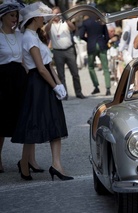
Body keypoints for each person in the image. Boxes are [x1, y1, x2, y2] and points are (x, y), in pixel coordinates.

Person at [11, 1, 73, 181]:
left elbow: (48, 65)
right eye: (42, 17)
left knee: (53, 122)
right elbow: (41, 68)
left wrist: (59, 83)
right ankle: (25, 162)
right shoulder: (29, 38)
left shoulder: (35, 36)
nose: (44, 19)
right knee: (34, 123)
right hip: (38, 83)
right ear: (36, 18)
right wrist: (55, 86)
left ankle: (56, 165)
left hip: (43, 82)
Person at [0, 0, 42, 174]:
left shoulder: (20, 35)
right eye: (11, 15)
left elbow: (25, 59)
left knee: (26, 119)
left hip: (20, 79)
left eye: (16, 15)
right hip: (2, 80)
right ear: (2, 17)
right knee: (1, 121)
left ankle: (29, 159)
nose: (15, 18)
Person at [45, 7, 86, 100]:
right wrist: (51, 19)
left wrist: (66, 19)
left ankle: (78, 92)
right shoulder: (50, 25)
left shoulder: (64, 22)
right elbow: (45, 30)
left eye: (58, 13)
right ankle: (64, 94)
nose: (57, 15)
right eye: (55, 13)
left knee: (75, 73)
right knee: (61, 75)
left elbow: (73, 28)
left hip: (69, 50)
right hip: (57, 51)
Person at [79, 14, 111, 96]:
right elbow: (107, 35)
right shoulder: (101, 21)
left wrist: (88, 40)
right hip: (101, 45)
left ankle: (96, 86)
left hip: (91, 45)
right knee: (105, 67)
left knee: (91, 67)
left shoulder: (86, 22)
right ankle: (108, 88)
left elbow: (81, 35)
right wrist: (104, 41)